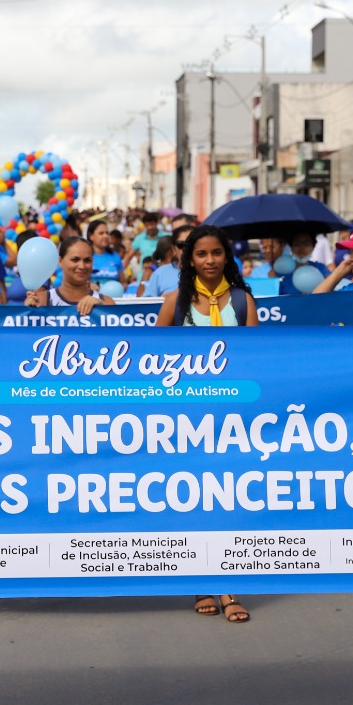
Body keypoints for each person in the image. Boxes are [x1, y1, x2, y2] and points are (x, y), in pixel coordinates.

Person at [155, 224, 257, 624]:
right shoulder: (173, 303)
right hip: (186, 423)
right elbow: (149, 362)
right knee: (193, 501)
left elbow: (262, 363)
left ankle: (228, 586)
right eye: (202, 254)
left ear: (226, 257)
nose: (210, 261)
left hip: (233, 422)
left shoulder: (243, 302)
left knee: (228, 502)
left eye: (217, 253)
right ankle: (201, 581)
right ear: (188, 259)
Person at [24, 235, 116, 316]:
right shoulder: (42, 300)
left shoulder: (107, 302)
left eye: (87, 260)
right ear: (60, 261)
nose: (82, 266)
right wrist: (29, 311)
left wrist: (103, 310)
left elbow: (118, 335)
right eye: (75, 260)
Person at [86, 219, 125, 288]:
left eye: (107, 233)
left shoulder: (115, 256)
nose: (106, 236)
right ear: (91, 236)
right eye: (101, 233)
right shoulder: (85, 257)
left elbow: (124, 282)